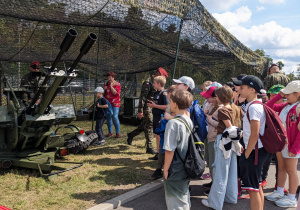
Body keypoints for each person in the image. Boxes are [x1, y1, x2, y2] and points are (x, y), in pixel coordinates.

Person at [202, 86, 242, 209]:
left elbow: (230, 129)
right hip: (231, 142)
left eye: (217, 96)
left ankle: (215, 202)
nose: (215, 98)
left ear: (220, 97)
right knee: (230, 171)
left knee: (220, 172)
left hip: (224, 141)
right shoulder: (236, 109)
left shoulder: (223, 110)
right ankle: (230, 197)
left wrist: (236, 143)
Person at [265, 80, 300, 208]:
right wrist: (280, 95)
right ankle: (279, 191)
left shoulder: (298, 107)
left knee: (291, 171)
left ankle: (291, 197)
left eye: (288, 94)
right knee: (282, 168)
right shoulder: (286, 105)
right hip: (282, 144)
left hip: (292, 145)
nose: (286, 96)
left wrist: (295, 148)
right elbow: (268, 107)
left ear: (298, 94)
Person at [236, 75, 268, 210]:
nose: (239, 89)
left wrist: (247, 153)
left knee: (252, 189)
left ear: (252, 90)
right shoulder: (255, 105)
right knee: (257, 186)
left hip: (254, 152)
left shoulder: (253, 107)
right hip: (258, 151)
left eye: (242, 87)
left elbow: (255, 134)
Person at [163, 89, 193, 210]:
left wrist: (165, 169)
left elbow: (169, 149)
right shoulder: (188, 120)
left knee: (175, 201)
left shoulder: (173, 123)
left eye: (170, 101)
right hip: (187, 164)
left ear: (175, 104)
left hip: (175, 167)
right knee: (183, 196)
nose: (169, 104)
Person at [127, 67, 168, 154]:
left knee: (145, 124)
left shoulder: (158, 83)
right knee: (149, 124)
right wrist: (140, 110)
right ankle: (149, 147)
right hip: (147, 106)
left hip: (154, 105)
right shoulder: (148, 82)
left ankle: (131, 134)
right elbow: (143, 97)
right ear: (158, 74)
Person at [200, 86, 223, 195]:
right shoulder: (211, 105)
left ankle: (215, 188)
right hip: (208, 137)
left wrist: (210, 120)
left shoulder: (221, 109)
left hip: (214, 138)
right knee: (209, 161)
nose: (207, 99)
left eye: (208, 97)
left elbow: (222, 126)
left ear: (215, 97)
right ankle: (213, 182)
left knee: (214, 163)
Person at [152, 85, 176, 179]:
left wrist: (167, 118)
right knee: (163, 149)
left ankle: (166, 170)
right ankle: (159, 169)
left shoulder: (174, 104)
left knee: (167, 149)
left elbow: (174, 115)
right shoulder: (171, 103)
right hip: (165, 129)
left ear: (170, 94)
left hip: (170, 130)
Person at [147, 76, 169, 161]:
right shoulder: (156, 93)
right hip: (155, 117)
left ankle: (161, 154)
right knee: (156, 135)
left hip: (161, 117)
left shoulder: (164, 93)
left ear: (159, 84)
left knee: (159, 136)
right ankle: (158, 153)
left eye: (154, 83)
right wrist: (153, 104)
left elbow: (167, 106)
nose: (153, 84)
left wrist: (155, 106)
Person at [104, 71, 121, 138]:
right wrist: (104, 89)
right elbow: (103, 93)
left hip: (115, 103)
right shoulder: (106, 83)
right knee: (108, 117)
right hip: (108, 103)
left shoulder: (118, 84)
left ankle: (117, 133)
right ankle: (110, 132)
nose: (108, 79)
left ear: (113, 77)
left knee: (114, 116)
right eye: (108, 77)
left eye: (110, 77)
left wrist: (111, 86)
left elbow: (116, 93)